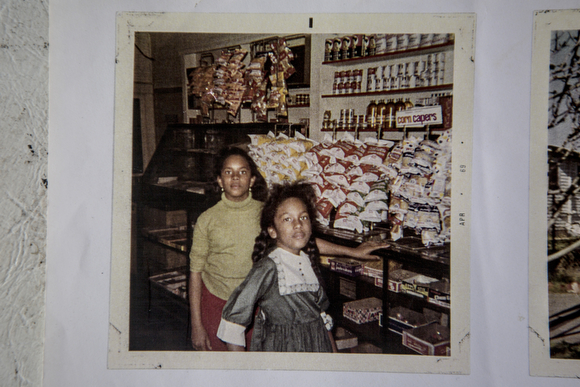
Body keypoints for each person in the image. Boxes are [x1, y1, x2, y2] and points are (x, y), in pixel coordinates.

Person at [189, 146, 387, 351]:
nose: (236, 177)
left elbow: (298, 239)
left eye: (243, 171)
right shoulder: (207, 219)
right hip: (218, 304)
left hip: (262, 306)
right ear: (220, 180)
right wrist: (196, 325)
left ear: (252, 179)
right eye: (228, 172)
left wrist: (353, 252)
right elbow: (195, 271)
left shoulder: (266, 212)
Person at [217, 182, 337, 352]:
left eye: (303, 217)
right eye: (287, 219)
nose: (298, 224)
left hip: (317, 349)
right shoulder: (269, 267)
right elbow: (233, 323)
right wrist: (242, 373)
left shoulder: (308, 261)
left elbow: (322, 320)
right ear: (273, 231)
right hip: (284, 353)